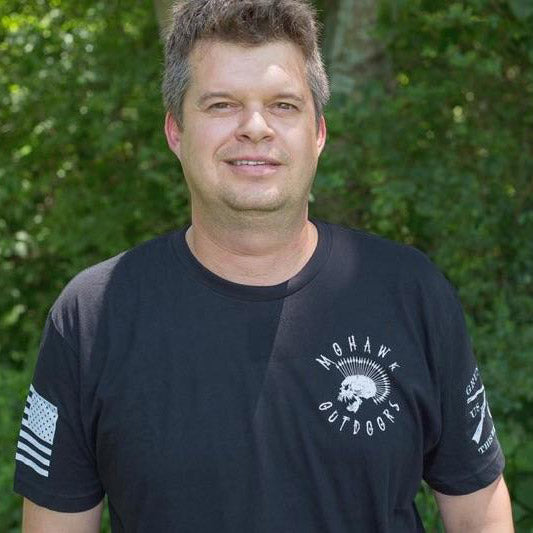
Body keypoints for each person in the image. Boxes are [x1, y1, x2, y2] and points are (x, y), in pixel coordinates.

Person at [14, 0, 514, 531]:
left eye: (283, 105)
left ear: (318, 133)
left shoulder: (411, 293)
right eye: (222, 104)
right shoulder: (93, 316)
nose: (255, 127)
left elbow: (479, 515)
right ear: (176, 131)